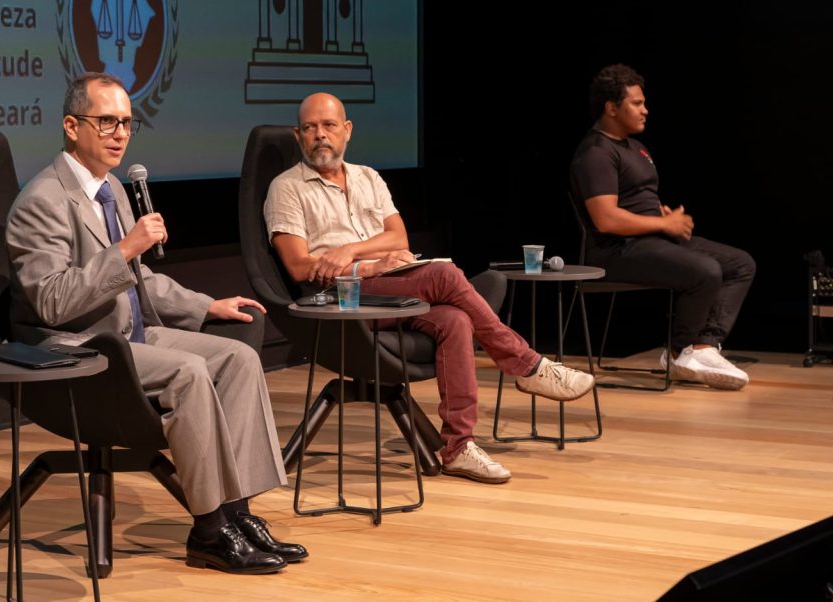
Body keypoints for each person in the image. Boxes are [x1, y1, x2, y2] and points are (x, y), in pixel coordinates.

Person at [6, 72, 306, 574]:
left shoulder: (113, 191)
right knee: (188, 370)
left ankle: (237, 510)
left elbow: (140, 280)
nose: (119, 133)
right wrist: (126, 248)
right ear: (71, 126)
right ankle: (209, 530)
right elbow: (52, 302)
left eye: (126, 122)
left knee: (239, 357)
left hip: (129, 334)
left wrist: (206, 306)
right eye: (106, 122)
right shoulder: (41, 200)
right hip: (77, 346)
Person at [263, 92, 595, 486]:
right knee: (446, 276)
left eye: (329, 125)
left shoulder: (368, 177)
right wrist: (368, 263)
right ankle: (525, 365)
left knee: (454, 319)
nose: (320, 135)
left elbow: (398, 235)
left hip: (382, 286)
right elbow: (300, 266)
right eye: (310, 128)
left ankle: (458, 447)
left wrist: (350, 250)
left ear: (347, 131)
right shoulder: (286, 188)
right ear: (297, 134)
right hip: (338, 301)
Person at [570, 64, 755, 390]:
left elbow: (635, 197)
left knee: (740, 264)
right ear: (611, 108)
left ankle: (703, 346)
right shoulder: (596, 152)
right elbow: (606, 219)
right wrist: (663, 223)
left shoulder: (635, 147)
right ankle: (679, 352)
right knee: (706, 270)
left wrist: (660, 213)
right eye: (636, 103)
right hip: (613, 251)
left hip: (649, 239)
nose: (645, 110)